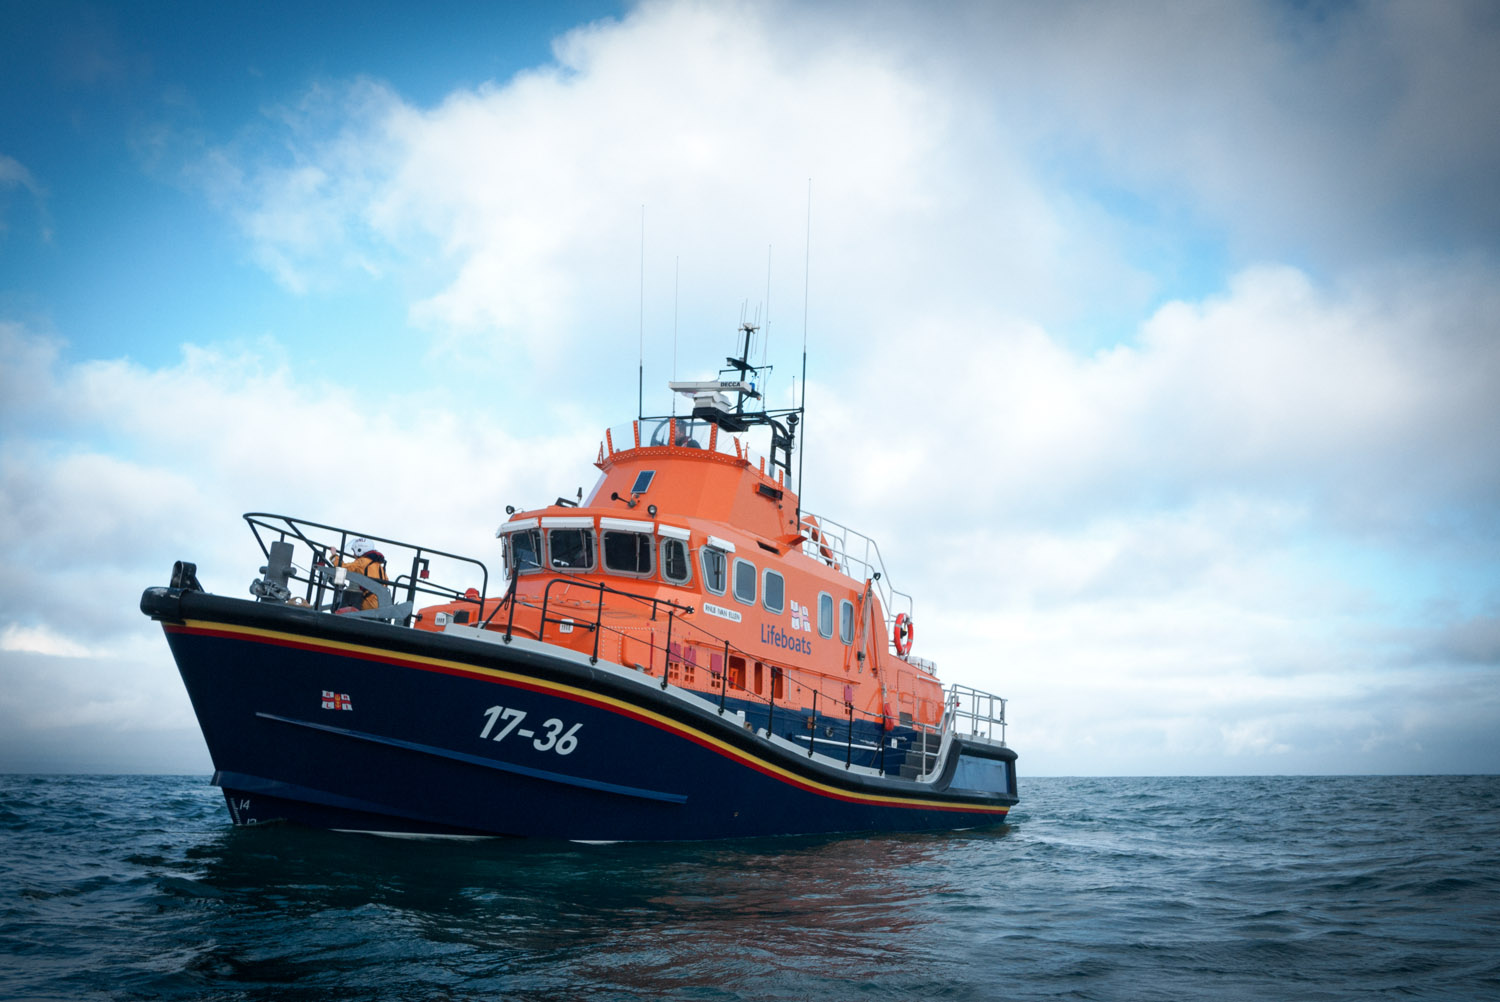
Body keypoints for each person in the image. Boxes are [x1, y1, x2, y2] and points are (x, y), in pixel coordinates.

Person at [326, 537, 389, 611]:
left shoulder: (362, 562)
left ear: (360, 550)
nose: (353, 555)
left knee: (341, 601)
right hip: (380, 605)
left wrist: (334, 555)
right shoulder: (379, 566)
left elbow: (342, 567)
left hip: (368, 605)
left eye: (354, 551)